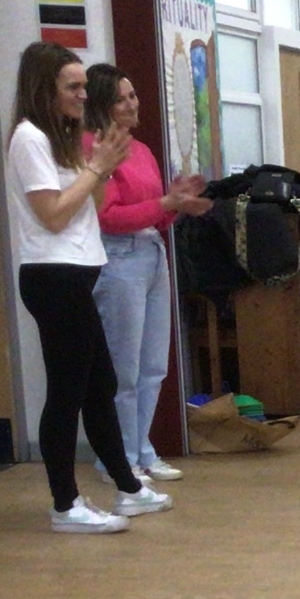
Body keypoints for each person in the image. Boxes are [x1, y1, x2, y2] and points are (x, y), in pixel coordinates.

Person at [4, 42, 171, 533]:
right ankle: (65, 505)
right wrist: (97, 168)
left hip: (78, 274)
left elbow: (91, 208)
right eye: (72, 86)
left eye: (83, 86)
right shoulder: (29, 138)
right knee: (68, 394)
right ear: (45, 89)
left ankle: (128, 488)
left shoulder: (62, 137)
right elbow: (53, 216)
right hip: (52, 277)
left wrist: (103, 165)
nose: (83, 94)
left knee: (100, 387)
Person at [83, 63, 208, 487]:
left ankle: (142, 450)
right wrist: (165, 204)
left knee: (153, 365)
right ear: (101, 105)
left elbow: (154, 213)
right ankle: (116, 459)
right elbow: (107, 217)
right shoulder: (93, 147)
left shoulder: (141, 149)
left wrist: (176, 203)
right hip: (118, 258)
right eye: (120, 99)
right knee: (123, 368)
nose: (131, 104)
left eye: (133, 95)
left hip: (152, 252)